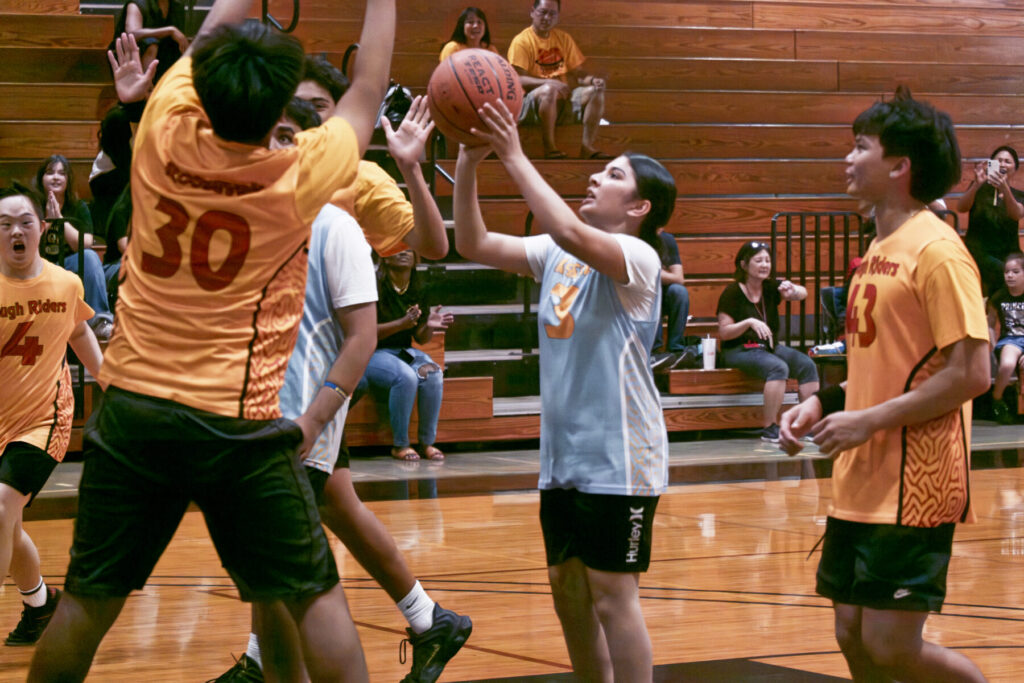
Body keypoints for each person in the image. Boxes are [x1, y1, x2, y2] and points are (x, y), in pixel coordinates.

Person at [27, 0, 396, 678]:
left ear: (200, 80)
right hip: (236, 421)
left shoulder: (163, 126)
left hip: (134, 410)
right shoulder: (299, 173)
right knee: (315, 598)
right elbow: (368, 86)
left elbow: (214, 26)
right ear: (282, 107)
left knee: (85, 603)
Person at [213, 97, 470, 683]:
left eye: (313, 114)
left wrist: (411, 168)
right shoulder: (255, 196)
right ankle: (428, 620)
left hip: (320, 376)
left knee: (289, 545)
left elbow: (432, 245)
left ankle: (266, 663)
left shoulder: (352, 186)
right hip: (275, 381)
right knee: (327, 511)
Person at [454, 97, 673, 680]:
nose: (596, 177)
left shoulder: (639, 257)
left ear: (639, 207)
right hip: (564, 456)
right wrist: (469, 162)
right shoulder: (556, 251)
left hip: (622, 457)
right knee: (567, 591)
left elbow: (571, 230)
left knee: (612, 595)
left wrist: (514, 153)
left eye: (614, 175)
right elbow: (474, 243)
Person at [779, 87, 989, 683]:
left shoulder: (939, 251)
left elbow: (972, 372)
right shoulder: (877, 247)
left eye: (860, 147)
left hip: (916, 482)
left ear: (899, 166)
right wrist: (822, 402)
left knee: (891, 646)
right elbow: (884, 366)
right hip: (863, 474)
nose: (848, 158)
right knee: (851, 635)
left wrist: (868, 421)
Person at [0, 187, 103, 646]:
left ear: (42, 228)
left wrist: (107, 379)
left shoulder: (65, 283)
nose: (15, 231)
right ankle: (39, 606)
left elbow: (78, 331)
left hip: (45, 419)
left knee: (1, 506)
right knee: (9, 523)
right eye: (4, 224)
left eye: (25, 221)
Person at [716, 241, 819, 443]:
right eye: (758, 260)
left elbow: (803, 293)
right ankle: (770, 427)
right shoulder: (732, 292)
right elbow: (725, 333)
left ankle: (806, 425)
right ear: (744, 265)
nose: (765, 265)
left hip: (769, 347)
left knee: (807, 365)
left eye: (767, 260)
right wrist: (748, 322)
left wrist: (793, 290)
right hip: (739, 349)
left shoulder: (771, 286)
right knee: (778, 367)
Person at [365, 249, 453, 461]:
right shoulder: (372, 284)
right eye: (397, 248)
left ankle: (427, 442)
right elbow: (364, 332)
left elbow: (420, 338)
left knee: (432, 373)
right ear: (384, 255)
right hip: (372, 352)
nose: (404, 251)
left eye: (408, 249)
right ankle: (401, 444)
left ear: (416, 257)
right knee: (406, 376)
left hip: (402, 351)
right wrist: (401, 324)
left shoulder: (419, 287)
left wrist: (429, 326)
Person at [507, 0, 609, 160]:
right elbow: (517, 79)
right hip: (531, 103)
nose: (547, 18)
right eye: (543, 12)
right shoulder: (521, 41)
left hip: (562, 99)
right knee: (549, 90)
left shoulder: (564, 38)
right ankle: (550, 147)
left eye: (552, 14)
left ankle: (587, 147)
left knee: (596, 92)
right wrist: (548, 83)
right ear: (532, 12)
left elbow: (578, 73)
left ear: (557, 17)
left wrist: (592, 80)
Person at [33, 155, 115, 340]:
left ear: (68, 180)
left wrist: (60, 221)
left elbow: (86, 243)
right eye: (50, 173)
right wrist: (47, 222)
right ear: (41, 178)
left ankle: (100, 322)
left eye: (61, 173)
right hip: (38, 265)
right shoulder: (32, 205)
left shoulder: (77, 207)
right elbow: (28, 244)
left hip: (69, 264)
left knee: (90, 257)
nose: (56, 177)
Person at [957, 144, 1024, 295]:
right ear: (991, 165)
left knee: (1016, 269)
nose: (1002, 164)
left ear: (1015, 169)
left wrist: (1005, 189)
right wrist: (976, 185)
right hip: (979, 251)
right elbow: (961, 207)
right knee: (1006, 273)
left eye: (1007, 161)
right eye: (998, 161)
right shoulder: (978, 188)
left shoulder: (1018, 196)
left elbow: (1016, 214)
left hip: (1008, 252)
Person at [108, 0, 190, 82]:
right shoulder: (137, 3)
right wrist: (169, 30)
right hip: (128, 62)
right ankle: (145, 86)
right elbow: (132, 34)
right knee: (151, 43)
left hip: (162, 61)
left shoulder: (176, 6)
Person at [987, 252, 1024, 424]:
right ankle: (997, 399)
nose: (1010, 276)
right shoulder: (998, 297)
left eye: (1015, 272)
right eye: (1007, 272)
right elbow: (990, 324)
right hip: (1011, 340)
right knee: (1008, 364)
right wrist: (993, 344)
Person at [652, 227, 689, 355]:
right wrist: (661, 272)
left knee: (679, 292)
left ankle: (676, 348)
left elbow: (679, 278)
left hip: (663, 294)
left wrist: (654, 272)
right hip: (638, 294)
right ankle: (654, 350)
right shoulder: (635, 238)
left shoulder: (666, 239)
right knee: (653, 289)